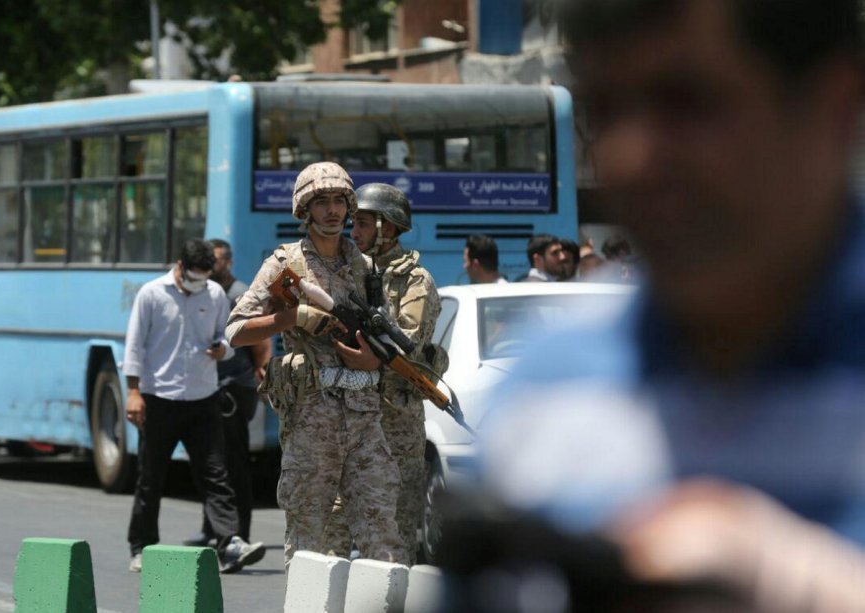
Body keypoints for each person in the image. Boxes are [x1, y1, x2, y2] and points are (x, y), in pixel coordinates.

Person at [452, 0, 865, 610]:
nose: (629, 157)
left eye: (688, 101)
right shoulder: (543, 395)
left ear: (834, 109)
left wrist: (798, 580)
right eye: (604, 111)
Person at [226, 162, 405, 567]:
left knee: (383, 538)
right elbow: (236, 332)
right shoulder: (285, 266)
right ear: (305, 209)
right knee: (309, 539)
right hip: (312, 419)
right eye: (321, 202)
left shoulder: (366, 268)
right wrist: (292, 318)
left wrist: (373, 357)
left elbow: (384, 338)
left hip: (365, 420)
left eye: (339, 201)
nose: (332, 211)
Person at [123, 239, 263, 574]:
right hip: (160, 400)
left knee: (216, 474)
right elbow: (134, 345)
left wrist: (223, 350)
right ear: (179, 266)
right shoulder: (151, 294)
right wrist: (133, 393)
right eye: (194, 277)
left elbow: (229, 337)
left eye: (205, 277)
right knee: (151, 477)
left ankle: (229, 542)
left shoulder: (214, 294)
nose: (199, 284)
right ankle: (142, 545)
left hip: (203, 400)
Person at [321, 182, 443, 565]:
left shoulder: (415, 281)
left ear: (386, 227)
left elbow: (406, 340)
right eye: (352, 223)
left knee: (393, 527)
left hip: (396, 420)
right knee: (334, 522)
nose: (352, 232)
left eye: (361, 223)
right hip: (349, 413)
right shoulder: (350, 270)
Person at [182, 238, 271, 563]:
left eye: (216, 260)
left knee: (234, 465)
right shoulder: (208, 293)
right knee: (212, 463)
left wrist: (262, 370)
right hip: (212, 388)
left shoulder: (238, 294)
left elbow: (261, 340)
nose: (211, 265)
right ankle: (212, 531)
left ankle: (239, 534)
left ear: (228, 262)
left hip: (234, 389)